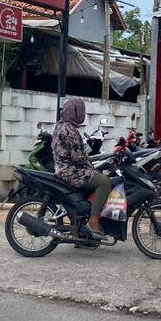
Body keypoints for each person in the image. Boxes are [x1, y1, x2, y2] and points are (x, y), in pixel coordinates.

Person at [51, 98, 112, 240]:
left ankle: (81, 232)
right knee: (104, 182)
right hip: (70, 172)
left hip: (63, 169)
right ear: (75, 112)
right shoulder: (69, 130)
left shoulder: (61, 126)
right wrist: (93, 168)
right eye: (81, 111)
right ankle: (93, 221)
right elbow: (78, 158)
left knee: (96, 178)